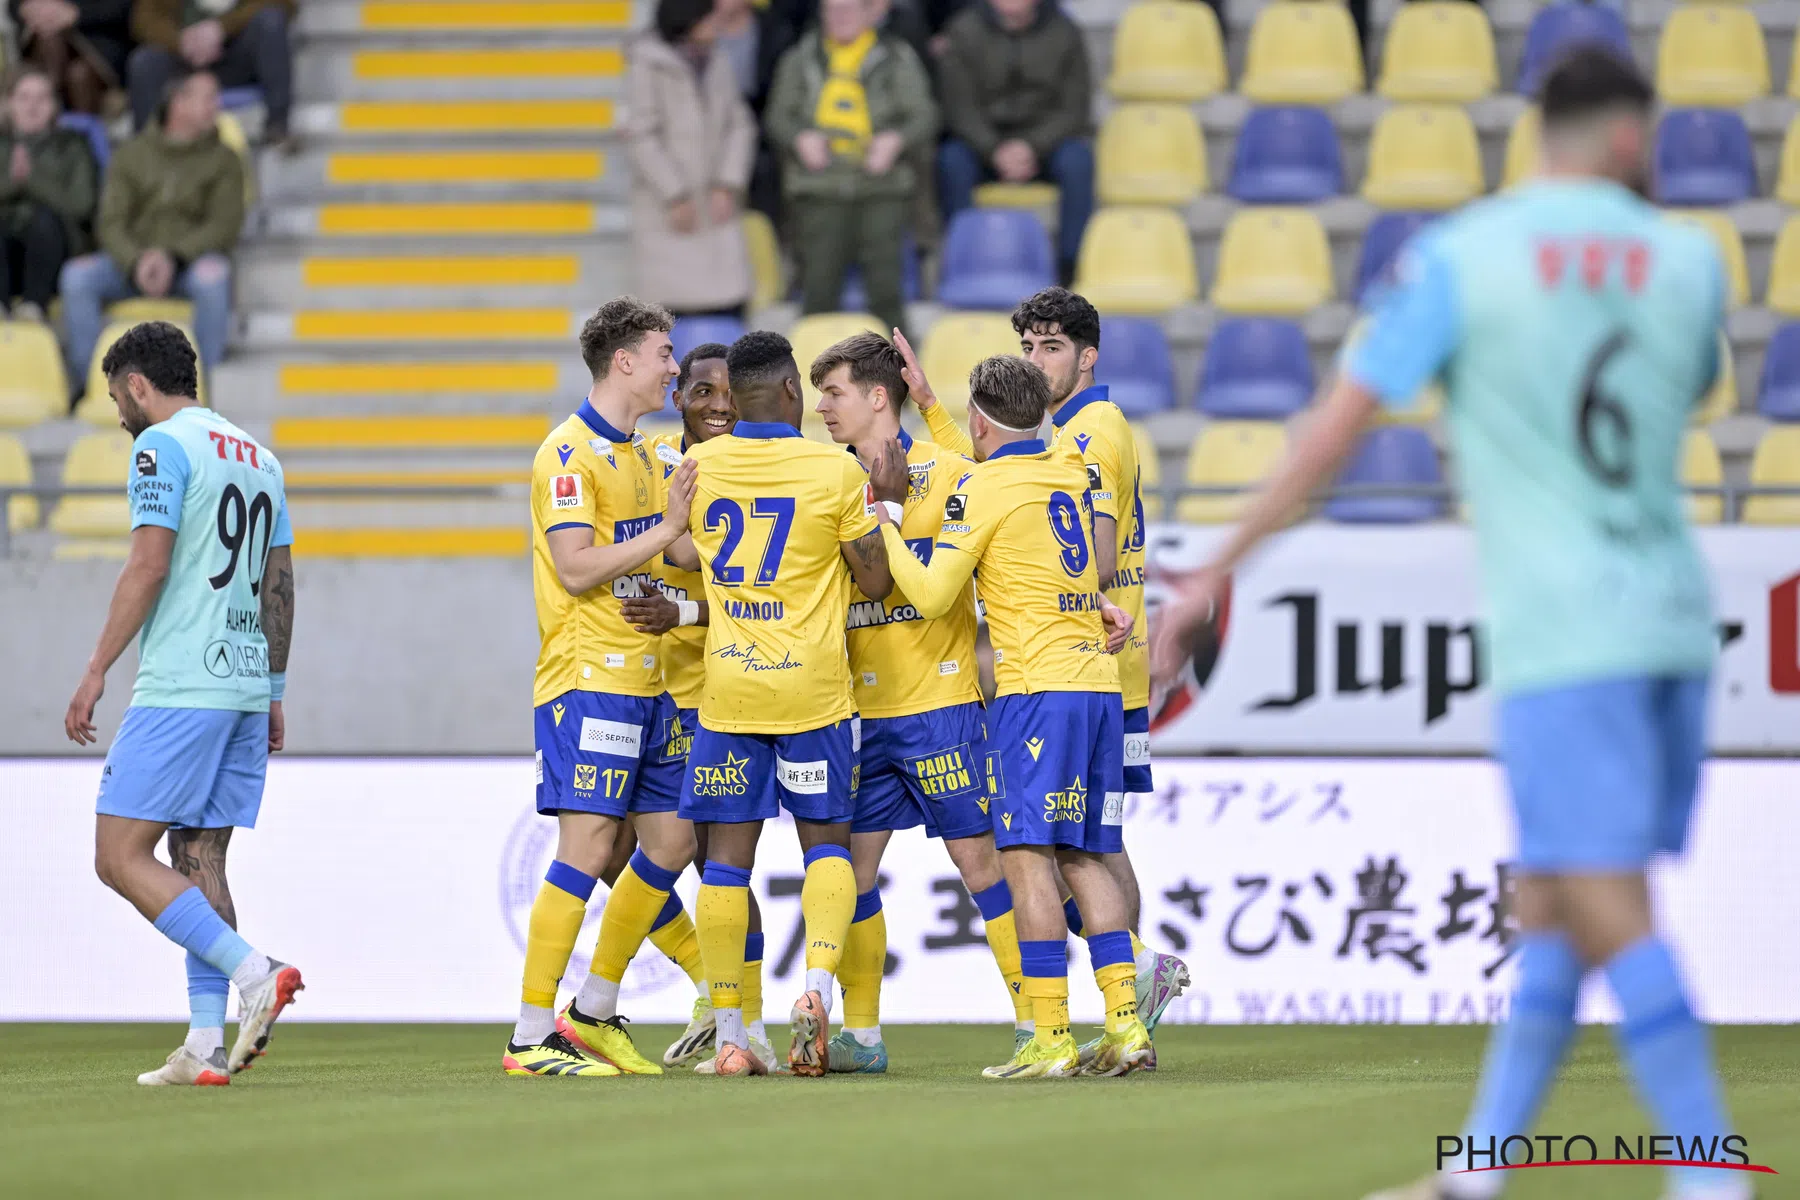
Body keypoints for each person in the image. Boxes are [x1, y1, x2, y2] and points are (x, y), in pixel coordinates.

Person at [1147, 51, 1743, 1200]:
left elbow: (1333, 435)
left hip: (1565, 635)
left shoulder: (1466, 258)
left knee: (1607, 903)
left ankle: (1710, 1172)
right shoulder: (1689, 261)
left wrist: (1215, 569)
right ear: (1631, 142)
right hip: (1675, 619)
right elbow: (1697, 384)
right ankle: (1477, 1173)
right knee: (1556, 902)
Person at [912, 290, 1190, 1056]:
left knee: (1062, 851)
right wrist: (938, 409)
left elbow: (1091, 558)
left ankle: (1108, 998)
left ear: (1087, 356)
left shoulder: (1091, 434)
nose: (1038, 361)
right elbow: (999, 469)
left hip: (1068, 666)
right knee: (1086, 844)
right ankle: (1127, 1002)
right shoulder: (1061, 440)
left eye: (1051, 348)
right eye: (1028, 349)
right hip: (1096, 665)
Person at [865, 354, 1150, 1079]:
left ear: (982, 422)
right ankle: (1126, 1028)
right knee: (1087, 854)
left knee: (1028, 862)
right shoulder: (1067, 468)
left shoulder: (983, 486)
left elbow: (931, 595)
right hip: (1098, 686)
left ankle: (1050, 1038)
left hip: (1036, 695)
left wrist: (888, 520)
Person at [61, 320, 301, 1086]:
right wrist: (272, 689)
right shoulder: (259, 457)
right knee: (196, 856)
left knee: (116, 855)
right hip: (240, 680)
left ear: (138, 384)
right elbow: (279, 584)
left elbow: (149, 563)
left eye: (117, 399)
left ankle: (253, 970)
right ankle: (204, 1043)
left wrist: (97, 666)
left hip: (183, 683)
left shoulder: (161, 447)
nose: (120, 416)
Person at [664, 329, 894, 1077]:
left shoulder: (698, 464)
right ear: (792, 392)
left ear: (730, 396)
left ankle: (733, 1033)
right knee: (827, 848)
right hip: (813, 692)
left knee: (726, 867)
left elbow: (674, 554)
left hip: (726, 689)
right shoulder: (834, 471)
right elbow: (877, 582)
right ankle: (817, 992)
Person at [810, 330, 1031, 1071]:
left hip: (940, 708)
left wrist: (933, 408)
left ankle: (1036, 1022)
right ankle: (863, 1036)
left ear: (879, 396)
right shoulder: (829, 482)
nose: (822, 408)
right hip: (858, 715)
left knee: (985, 869)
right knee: (852, 873)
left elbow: (952, 579)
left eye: (835, 393)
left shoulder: (949, 473)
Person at [502, 297, 703, 1080]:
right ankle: (528, 1035)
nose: (673, 368)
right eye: (663, 353)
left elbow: (683, 552)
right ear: (623, 361)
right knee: (586, 847)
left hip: (651, 685)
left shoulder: (648, 458)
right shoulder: (567, 454)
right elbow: (578, 565)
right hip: (590, 682)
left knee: (671, 843)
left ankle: (592, 1009)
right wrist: (663, 534)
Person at [616, 340, 783, 1073]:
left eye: (728, 393)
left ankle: (740, 1016)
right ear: (678, 397)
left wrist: (682, 614)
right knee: (619, 852)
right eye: (703, 391)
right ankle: (712, 996)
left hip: (710, 692)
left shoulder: (753, 473)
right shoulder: (649, 466)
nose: (718, 404)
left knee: (719, 863)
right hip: (637, 690)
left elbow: (763, 597)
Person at [763, 0, 937, 336]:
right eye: (831, 10)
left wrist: (895, 140)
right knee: (818, 291)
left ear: (870, 14)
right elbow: (778, 116)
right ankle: (808, 375)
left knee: (887, 293)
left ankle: (902, 375)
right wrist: (800, 139)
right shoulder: (800, 58)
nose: (839, 18)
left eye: (849, 9)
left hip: (881, 186)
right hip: (819, 187)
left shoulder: (896, 57)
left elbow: (923, 114)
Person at [60, 68, 242, 383]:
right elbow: (111, 222)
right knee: (77, 277)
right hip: (132, 264)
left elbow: (223, 225)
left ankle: (202, 390)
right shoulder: (132, 153)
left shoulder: (225, 159)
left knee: (214, 279)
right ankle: (90, 383)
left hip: (189, 263)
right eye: (209, 98)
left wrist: (172, 257)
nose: (218, 106)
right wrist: (136, 261)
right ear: (178, 102)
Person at [935, 0, 1093, 283]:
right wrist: (993, 149)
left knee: (1078, 161)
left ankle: (1071, 266)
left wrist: (1031, 146)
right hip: (982, 144)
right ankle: (964, 258)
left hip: (1045, 143)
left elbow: (1074, 108)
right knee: (951, 160)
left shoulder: (1065, 31)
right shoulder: (964, 30)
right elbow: (958, 107)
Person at [625, 0, 757, 320]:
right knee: (670, 317)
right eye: (710, 13)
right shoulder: (646, 64)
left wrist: (728, 183)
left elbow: (739, 124)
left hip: (716, 207)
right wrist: (675, 194)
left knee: (727, 307)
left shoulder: (718, 59)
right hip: (670, 212)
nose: (718, 19)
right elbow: (641, 135)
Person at [0, 66, 97, 322]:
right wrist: (12, 182)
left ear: (54, 106)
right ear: (8, 104)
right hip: (6, 256)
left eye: (42, 98)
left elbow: (81, 205)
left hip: (55, 252)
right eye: (24, 98)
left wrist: (30, 180)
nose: (32, 106)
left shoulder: (73, 146)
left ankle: (34, 306)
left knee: (43, 220)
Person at [127, 0, 293, 145]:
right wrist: (182, 42)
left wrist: (221, 29)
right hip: (182, 58)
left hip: (235, 55)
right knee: (144, 61)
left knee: (271, 21)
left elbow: (283, 4)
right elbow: (143, 20)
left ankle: (277, 128)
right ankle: (147, 145)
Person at [9, 0, 134, 115]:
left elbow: (125, 8)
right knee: (50, 38)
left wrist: (77, 13)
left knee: (79, 73)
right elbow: (14, 5)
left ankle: (74, 131)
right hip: (41, 45)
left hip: (97, 44)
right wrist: (28, 8)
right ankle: (50, 115)